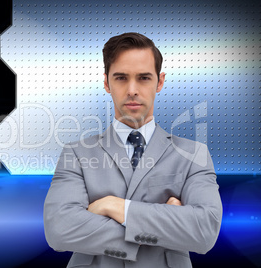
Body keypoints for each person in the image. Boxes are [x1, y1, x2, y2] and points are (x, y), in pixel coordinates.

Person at [43, 32, 222, 268]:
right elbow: (59, 229)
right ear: (106, 83)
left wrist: (115, 206)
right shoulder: (76, 154)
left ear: (160, 82)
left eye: (144, 78)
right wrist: (167, 225)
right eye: (121, 78)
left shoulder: (193, 154)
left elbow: (204, 230)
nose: (132, 90)